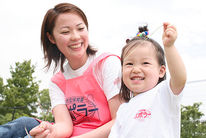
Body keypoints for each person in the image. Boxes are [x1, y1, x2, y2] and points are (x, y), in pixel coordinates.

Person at [0, 2, 122, 138]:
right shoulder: (57, 82)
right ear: (51, 38)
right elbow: (64, 126)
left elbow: (120, 121)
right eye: (65, 32)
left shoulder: (107, 64)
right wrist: (51, 131)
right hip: (71, 134)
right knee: (23, 124)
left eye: (81, 28)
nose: (76, 36)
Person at [108, 23, 187, 138]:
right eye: (129, 64)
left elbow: (180, 79)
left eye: (145, 63)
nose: (135, 69)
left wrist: (169, 47)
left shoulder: (164, 93)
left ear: (161, 71)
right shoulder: (123, 110)